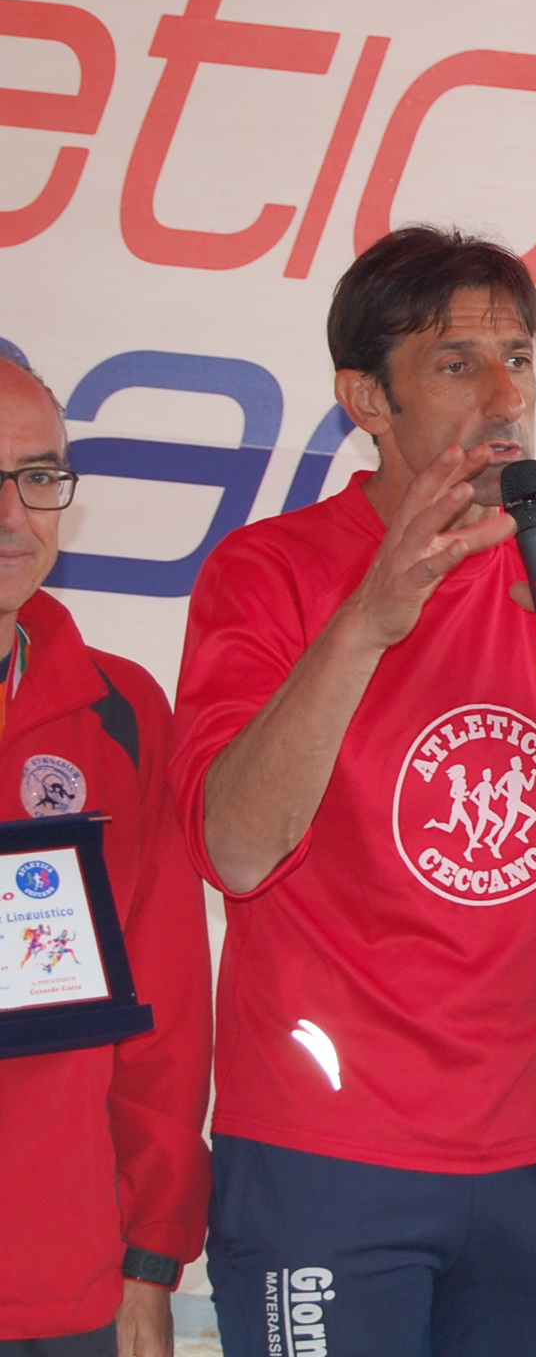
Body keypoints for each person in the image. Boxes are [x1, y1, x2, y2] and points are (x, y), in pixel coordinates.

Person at [171, 228, 536, 1357]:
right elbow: (235, 850)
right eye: (458, 363)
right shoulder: (268, 572)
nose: (507, 395)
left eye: (520, 357)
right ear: (367, 397)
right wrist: (366, 620)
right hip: (326, 1155)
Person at [0, 354, 211, 1357]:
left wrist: (150, 1253)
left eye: (38, 476)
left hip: (63, 1285)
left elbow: (162, 1010)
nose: (13, 515)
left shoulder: (119, 712)